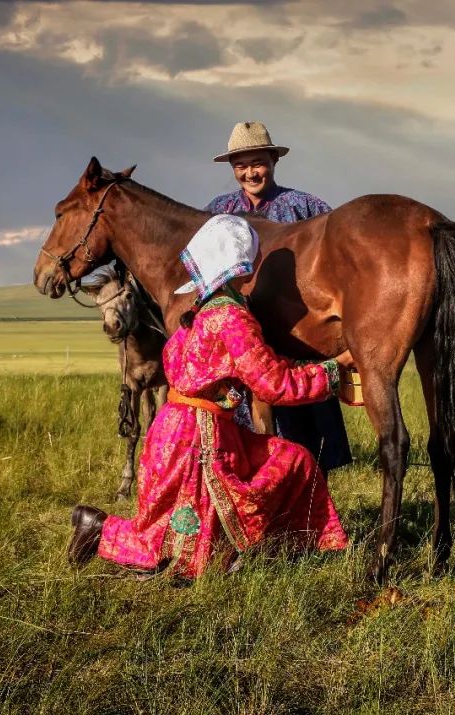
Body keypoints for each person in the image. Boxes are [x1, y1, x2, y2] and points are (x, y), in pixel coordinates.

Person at [68, 214, 349, 580]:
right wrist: (334, 370)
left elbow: (252, 363)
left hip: (173, 430)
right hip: (201, 439)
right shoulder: (232, 318)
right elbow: (274, 383)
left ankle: (259, 548)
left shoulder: (199, 313)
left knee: (176, 522)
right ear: (241, 263)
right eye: (255, 255)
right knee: (167, 543)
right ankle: (100, 528)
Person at [205, 121, 352, 473]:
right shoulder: (217, 211)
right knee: (243, 447)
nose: (250, 172)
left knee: (309, 439)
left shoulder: (307, 207)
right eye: (241, 165)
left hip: (301, 335)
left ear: (273, 161)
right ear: (232, 168)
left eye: (258, 163)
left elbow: (337, 258)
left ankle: (310, 507)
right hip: (242, 338)